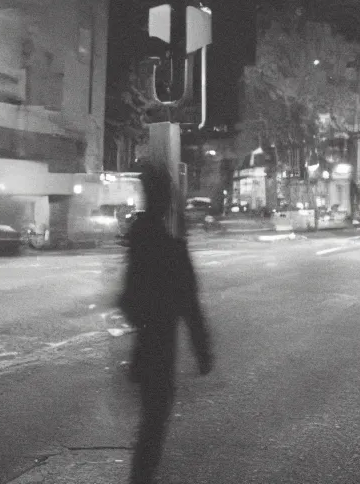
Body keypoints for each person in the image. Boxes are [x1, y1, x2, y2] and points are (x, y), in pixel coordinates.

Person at [119, 163, 213, 484]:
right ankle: (141, 477)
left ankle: (141, 475)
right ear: (166, 199)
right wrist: (203, 351)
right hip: (162, 347)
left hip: (143, 345)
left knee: (151, 418)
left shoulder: (139, 241)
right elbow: (190, 304)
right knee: (154, 420)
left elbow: (127, 301)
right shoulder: (170, 248)